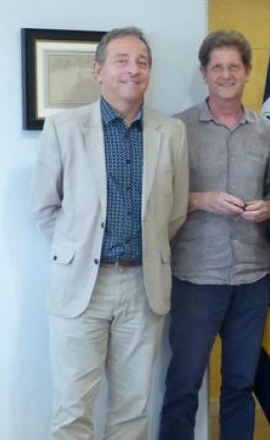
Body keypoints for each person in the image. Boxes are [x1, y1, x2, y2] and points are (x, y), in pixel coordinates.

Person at [31, 26, 189, 439]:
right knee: (72, 411)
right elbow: (45, 208)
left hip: (144, 285)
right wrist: (78, 251)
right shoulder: (65, 129)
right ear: (98, 69)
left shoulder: (170, 132)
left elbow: (174, 211)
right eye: (122, 60)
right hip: (82, 285)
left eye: (142, 62)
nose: (132, 70)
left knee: (132, 412)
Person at [159, 30, 270, 440]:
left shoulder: (266, 131)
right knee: (184, 384)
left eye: (234, 67)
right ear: (203, 73)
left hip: (253, 277)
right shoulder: (176, 129)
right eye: (217, 67)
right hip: (196, 277)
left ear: (248, 72)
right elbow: (157, 199)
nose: (226, 74)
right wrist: (199, 198)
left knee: (241, 384)